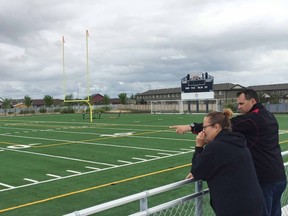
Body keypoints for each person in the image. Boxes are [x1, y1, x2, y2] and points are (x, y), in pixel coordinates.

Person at [171, 89, 287, 216]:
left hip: (265, 179)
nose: (239, 107)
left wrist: (190, 127)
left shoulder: (253, 119)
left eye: (242, 104)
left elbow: (225, 125)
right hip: (278, 175)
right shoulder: (268, 115)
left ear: (253, 101)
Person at [188, 109, 266, 216]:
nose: (203, 131)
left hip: (235, 207)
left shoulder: (216, 147)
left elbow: (197, 171)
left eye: (205, 127)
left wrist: (199, 147)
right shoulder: (237, 141)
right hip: (254, 203)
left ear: (216, 127)